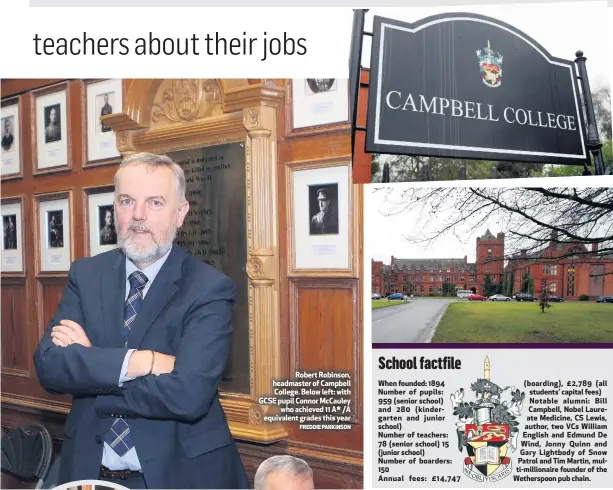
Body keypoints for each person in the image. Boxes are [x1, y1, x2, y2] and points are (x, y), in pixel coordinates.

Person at [34, 152, 249, 489]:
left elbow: (189, 394)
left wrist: (96, 371)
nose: (138, 216)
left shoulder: (208, 288)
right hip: (90, 474)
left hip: (175, 477)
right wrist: (141, 361)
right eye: (126, 201)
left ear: (180, 214)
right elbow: (49, 366)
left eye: (155, 203)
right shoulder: (87, 275)